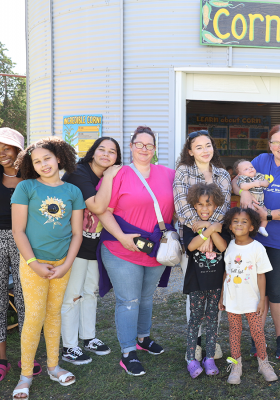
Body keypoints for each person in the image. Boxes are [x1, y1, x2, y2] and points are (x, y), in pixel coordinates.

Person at [97, 126, 175, 376]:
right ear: (130, 147)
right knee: (128, 300)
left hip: (155, 248)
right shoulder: (117, 174)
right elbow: (102, 210)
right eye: (139, 144)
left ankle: (142, 339)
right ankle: (128, 351)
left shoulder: (169, 174)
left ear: (154, 149)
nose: (144, 149)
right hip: (121, 247)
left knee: (145, 298)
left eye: (149, 145)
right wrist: (122, 237)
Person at [11, 137, 85, 399]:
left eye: (47, 158)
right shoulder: (26, 187)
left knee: (54, 314)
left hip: (60, 265)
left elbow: (77, 234)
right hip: (33, 263)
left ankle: (54, 366)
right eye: (37, 161)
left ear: (59, 158)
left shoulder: (73, 192)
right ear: (31, 165)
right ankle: (26, 376)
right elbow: (18, 230)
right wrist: (33, 263)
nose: (43, 164)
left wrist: (66, 265)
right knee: (34, 316)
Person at [233, 124, 280, 359]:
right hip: (253, 239)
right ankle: (258, 338)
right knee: (256, 291)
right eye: (275, 142)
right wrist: (244, 192)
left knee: (277, 290)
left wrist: (268, 215)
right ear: (269, 145)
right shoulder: (261, 160)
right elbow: (237, 180)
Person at [60, 137, 122, 365]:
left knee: (90, 292)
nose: (106, 154)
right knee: (72, 295)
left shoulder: (114, 176)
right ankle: (69, 346)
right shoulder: (79, 172)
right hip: (73, 244)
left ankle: (88, 337)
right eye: (101, 149)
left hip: (96, 244)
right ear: (92, 152)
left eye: (112, 151)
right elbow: (96, 205)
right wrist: (108, 176)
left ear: (117, 157)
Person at [174, 129, 231, 361]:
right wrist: (204, 232)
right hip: (193, 237)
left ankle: (211, 339)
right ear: (190, 151)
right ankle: (196, 341)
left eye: (208, 145)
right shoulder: (183, 172)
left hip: (217, 239)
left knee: (214, 292)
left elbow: (223, 206)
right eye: (199, 147)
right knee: (195, 293)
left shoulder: (222, 174)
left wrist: (212, 231)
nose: (205, 150)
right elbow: (181, 206)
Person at [0, 128, 31, 384]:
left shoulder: (32, 177)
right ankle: (2, 360)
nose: (2, 155)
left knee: (25, 300)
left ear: (18, 150)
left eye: (7, 149)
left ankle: (27, 355)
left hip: (25, 242)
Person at [220, 207, 278, 384]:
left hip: (252, 300)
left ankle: (264, 362)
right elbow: (226, 272)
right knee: (234, 332)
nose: (239, 224)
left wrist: (261, 299)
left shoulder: (257, 248)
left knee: (257, 332)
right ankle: (236, 365)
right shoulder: (229, 246)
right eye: (235, 221)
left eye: (244, 222)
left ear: (252, 226)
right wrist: (222, 296)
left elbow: (261, 275)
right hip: (232, 299)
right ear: (230, 225)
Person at [183, 183, 230, 378]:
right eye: (200, 205)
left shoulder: (222, 226)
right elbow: (193, 246)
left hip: (215, 283)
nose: (204, 209)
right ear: (194, 205)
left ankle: (209, 357)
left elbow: (223, 246)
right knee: (195, 319)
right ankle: (191, 358)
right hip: (196, 283)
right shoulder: (190, 226)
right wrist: (208, 230)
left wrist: (212, 228)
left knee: (213, 321)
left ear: (216, 206)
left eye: (209, 205)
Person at [233, 159, 270, 236]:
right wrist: (254, 184)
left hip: (260, 203)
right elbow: (243, 186)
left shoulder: (259, 176)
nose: (250, 169)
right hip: (251, 204)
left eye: (251, 167)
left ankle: (262, 227)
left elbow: (267, 183)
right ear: (239, 174)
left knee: (268, 214)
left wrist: (259, 183)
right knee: (250, 216)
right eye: (246, 169)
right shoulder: (242, 178)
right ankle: (250, 230)